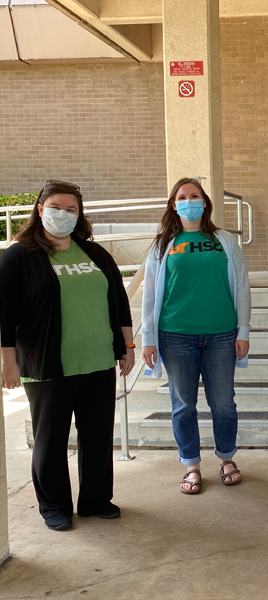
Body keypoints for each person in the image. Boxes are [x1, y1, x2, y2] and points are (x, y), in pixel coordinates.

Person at [0, 180, 134, 531]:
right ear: (40, 209)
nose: (63, 214)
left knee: (97, 436)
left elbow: (119, 303)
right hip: (47, 365)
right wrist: (8, 362)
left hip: (97, 361)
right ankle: (54, 506)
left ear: (79, 215)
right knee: (51, 439)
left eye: (71, 209)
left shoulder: (95, 254)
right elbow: (4, 314)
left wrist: (126, 348)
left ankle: (95, 500)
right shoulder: (18, 256)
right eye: (56, 207)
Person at [141, 178, 251, 495]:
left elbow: (242, 287)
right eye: (182, 197)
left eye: (195, 195)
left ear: (205, 202)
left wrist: (243, 329)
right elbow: (149, 295)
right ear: (173, 205)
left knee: (224, 403)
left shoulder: (225, 240)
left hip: (221, 334)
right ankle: (191, 465)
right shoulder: (163, 243)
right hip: (176, 335)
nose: (189, 200)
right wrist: (148, 336)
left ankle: (227, 459)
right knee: (183, 405)